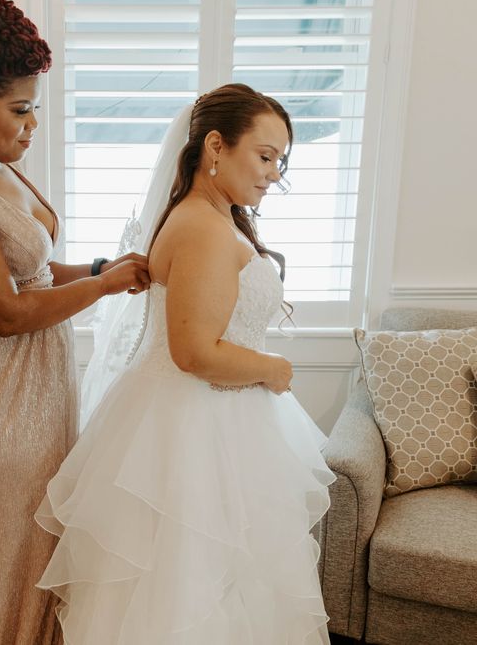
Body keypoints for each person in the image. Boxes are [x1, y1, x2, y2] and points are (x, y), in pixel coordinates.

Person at [36, 83, 336, 643]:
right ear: (216, 147)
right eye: (265, 156)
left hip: (207, 423)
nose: (274, 174)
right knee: (192, 590)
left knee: (218, 589)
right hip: (194, 430)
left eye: (280, 162)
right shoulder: (201, 226)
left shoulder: (209, 216)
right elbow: (195, 352)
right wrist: (273, 368)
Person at [0, 0, 150, 645]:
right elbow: (7, 312)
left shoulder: (0, 168)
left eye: (34, 105)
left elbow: (35, 277)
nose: (33, 123)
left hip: (42, 393)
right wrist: (104, 286)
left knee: (40, 556)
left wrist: (101, 264)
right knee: (1, 565)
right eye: (19, 109)